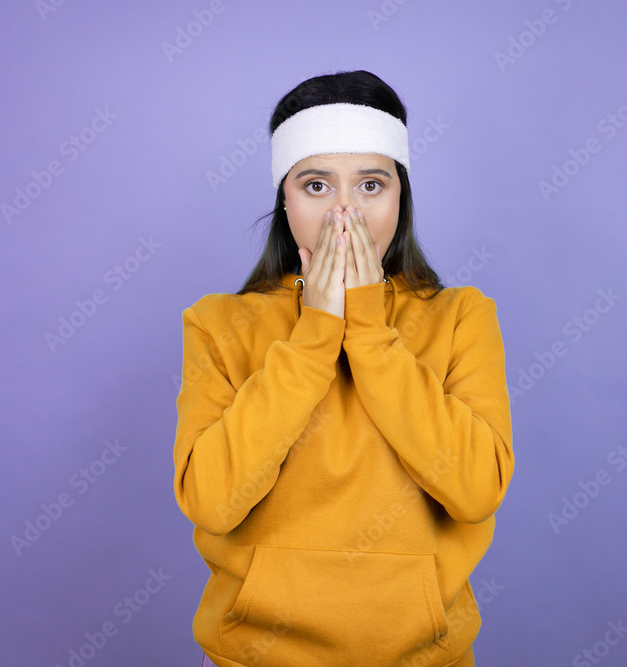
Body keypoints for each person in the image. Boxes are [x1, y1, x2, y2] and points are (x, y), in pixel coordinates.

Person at [174, 70, 515, 667]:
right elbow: (213, 501)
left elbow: (476, 491)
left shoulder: (462, 316)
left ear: (400, 197)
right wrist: (313, 334)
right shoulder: (218, 323)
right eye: (315, 185)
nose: (344, 214)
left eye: (371, 185)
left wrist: (369, 329)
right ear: (284, 200)